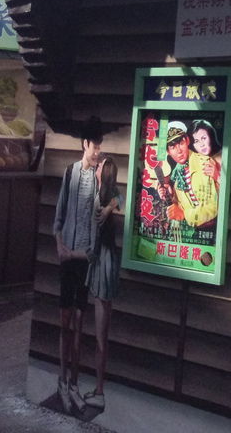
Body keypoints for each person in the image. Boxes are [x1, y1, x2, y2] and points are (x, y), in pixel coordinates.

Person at [52, 116, 102, 413]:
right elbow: (58, 217)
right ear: (85, 144)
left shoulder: (99, 178)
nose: (98, 151)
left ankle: (73, 383)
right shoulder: (70, 173)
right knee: (65, 320)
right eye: (95, 146)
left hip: (83, 259)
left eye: (100, 146)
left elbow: (96, 243)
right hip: (67, 257)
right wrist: (60, 246)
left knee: (80, 323)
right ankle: (62, 380)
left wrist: (74, 254)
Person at [84, 156, 122, 411]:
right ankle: (98, 388)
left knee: (100, 334)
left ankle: (99, 391)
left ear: (103, 173)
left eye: (99, 166)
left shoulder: (99, 199)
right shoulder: (110, 197)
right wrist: (111, 207)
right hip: (108, 263)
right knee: (102, 332)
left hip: (101, 263)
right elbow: (120, 197)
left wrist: (107, 208)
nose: (95, 167)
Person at [162, 120, 220, 236]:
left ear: (187, 141)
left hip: (212, 230)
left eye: (181, 143)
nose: (179, 150)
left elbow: (213, 208)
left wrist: (184, 215)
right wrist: (168, 195)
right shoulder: (176, 175)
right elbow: (180, 207)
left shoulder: (205, 163)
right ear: (168, 152)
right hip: (192, 233)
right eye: (173, 147)